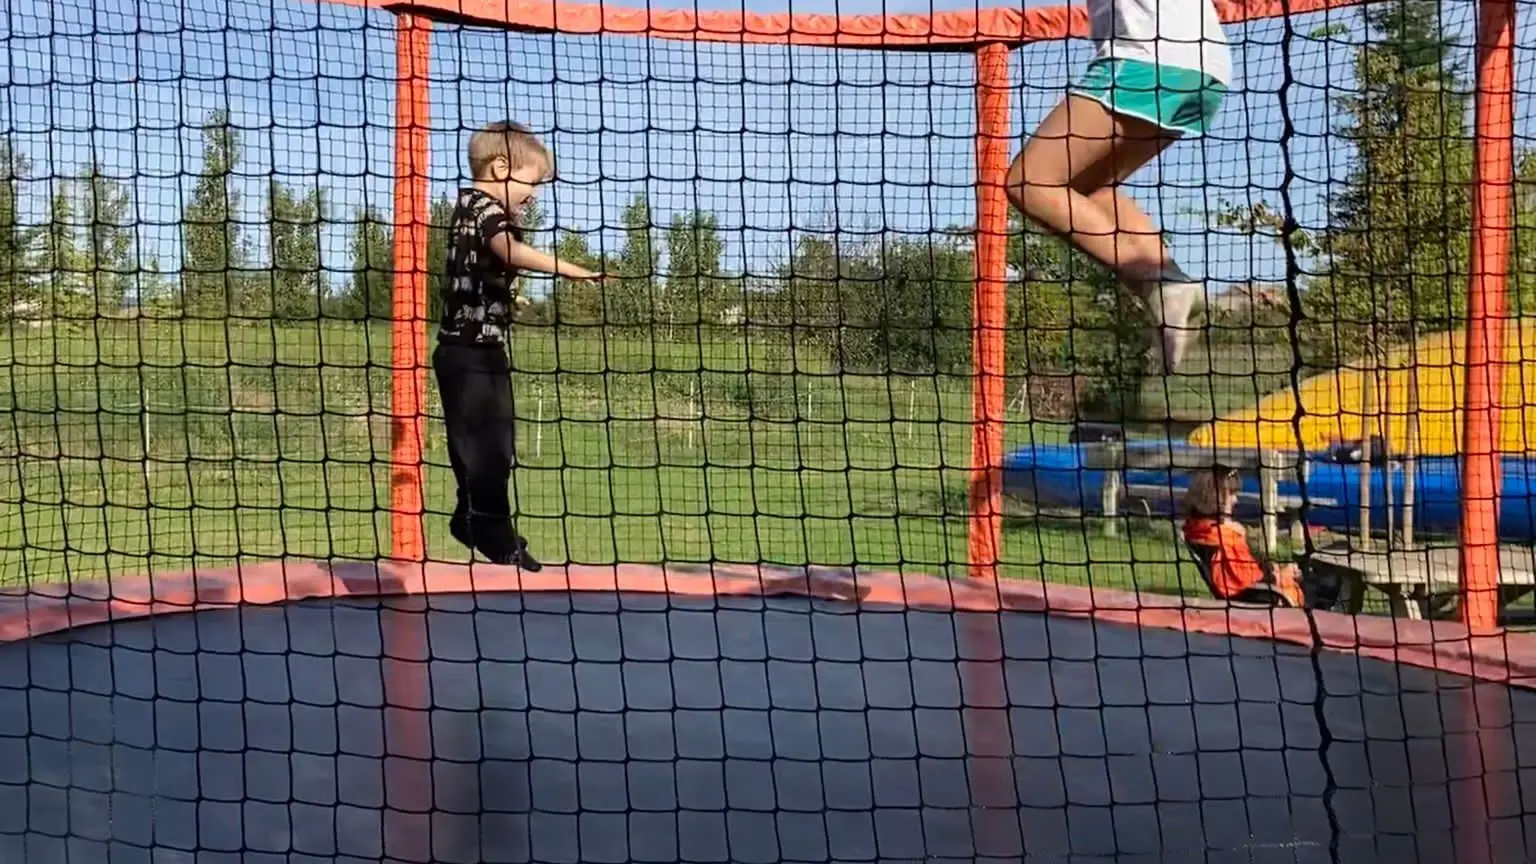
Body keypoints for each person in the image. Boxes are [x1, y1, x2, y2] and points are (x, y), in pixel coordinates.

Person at [1004, 0, 1231, 374]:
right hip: (1204, 71)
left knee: (1029, 180)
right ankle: (1168, 282)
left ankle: (1159, 282)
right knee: (1086, 185)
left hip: (1148, 59)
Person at [435, 120, 601, 569]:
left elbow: (486, 264)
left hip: (485, 350)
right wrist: (567, 268)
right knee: (481, 447)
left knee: (498, 446)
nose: (535, 194)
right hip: (464, 352)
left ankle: (474, 518)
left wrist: (510, 294)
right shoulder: (480, 206)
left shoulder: (483, 213)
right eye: (533, 182)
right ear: (501, 167)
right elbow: (506, 250)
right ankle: (486, 525)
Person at [1182, 466, 1306, 607]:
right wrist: (1284, 575)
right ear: (1215, 498)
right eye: (1232, 494)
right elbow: (1248, 586)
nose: (1236, 500)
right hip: (1258, 603)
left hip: (1253, 597)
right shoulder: (1224, 539)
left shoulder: (1197, 530)